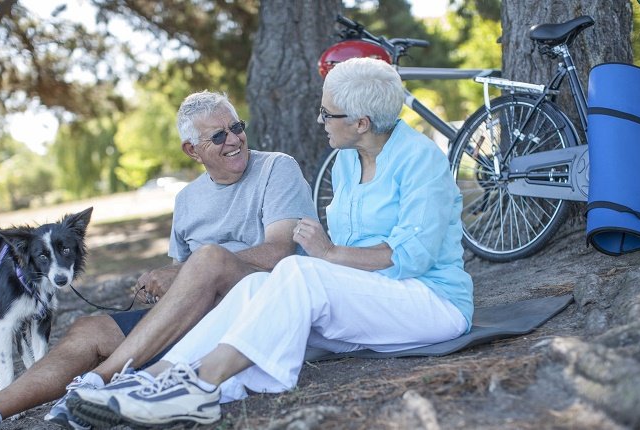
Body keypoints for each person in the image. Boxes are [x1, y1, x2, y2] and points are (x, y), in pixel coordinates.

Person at [64, 57, 474, 428]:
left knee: (298, 270)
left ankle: (200, 388)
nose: (320, 120)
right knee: (256, 286)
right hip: (373, 303)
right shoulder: (348, 158)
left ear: (361, 122)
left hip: (430, 303)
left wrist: (329, 255)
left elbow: (410, 258)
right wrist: (329, 261)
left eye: (328, 113)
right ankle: (147, 382)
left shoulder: (421, 160)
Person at [0, 91, 316, 430]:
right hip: (197, 315)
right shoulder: (187, 201)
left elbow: (278, 252)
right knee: (87, 329)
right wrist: (161, 287)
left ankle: (95, 384)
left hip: (253, 309)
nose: (234, 140)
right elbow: (184, 286)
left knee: (208, 258)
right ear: (192, 150)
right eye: (218, 135)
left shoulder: (275, 168)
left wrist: (180, 271)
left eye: (237, 127)